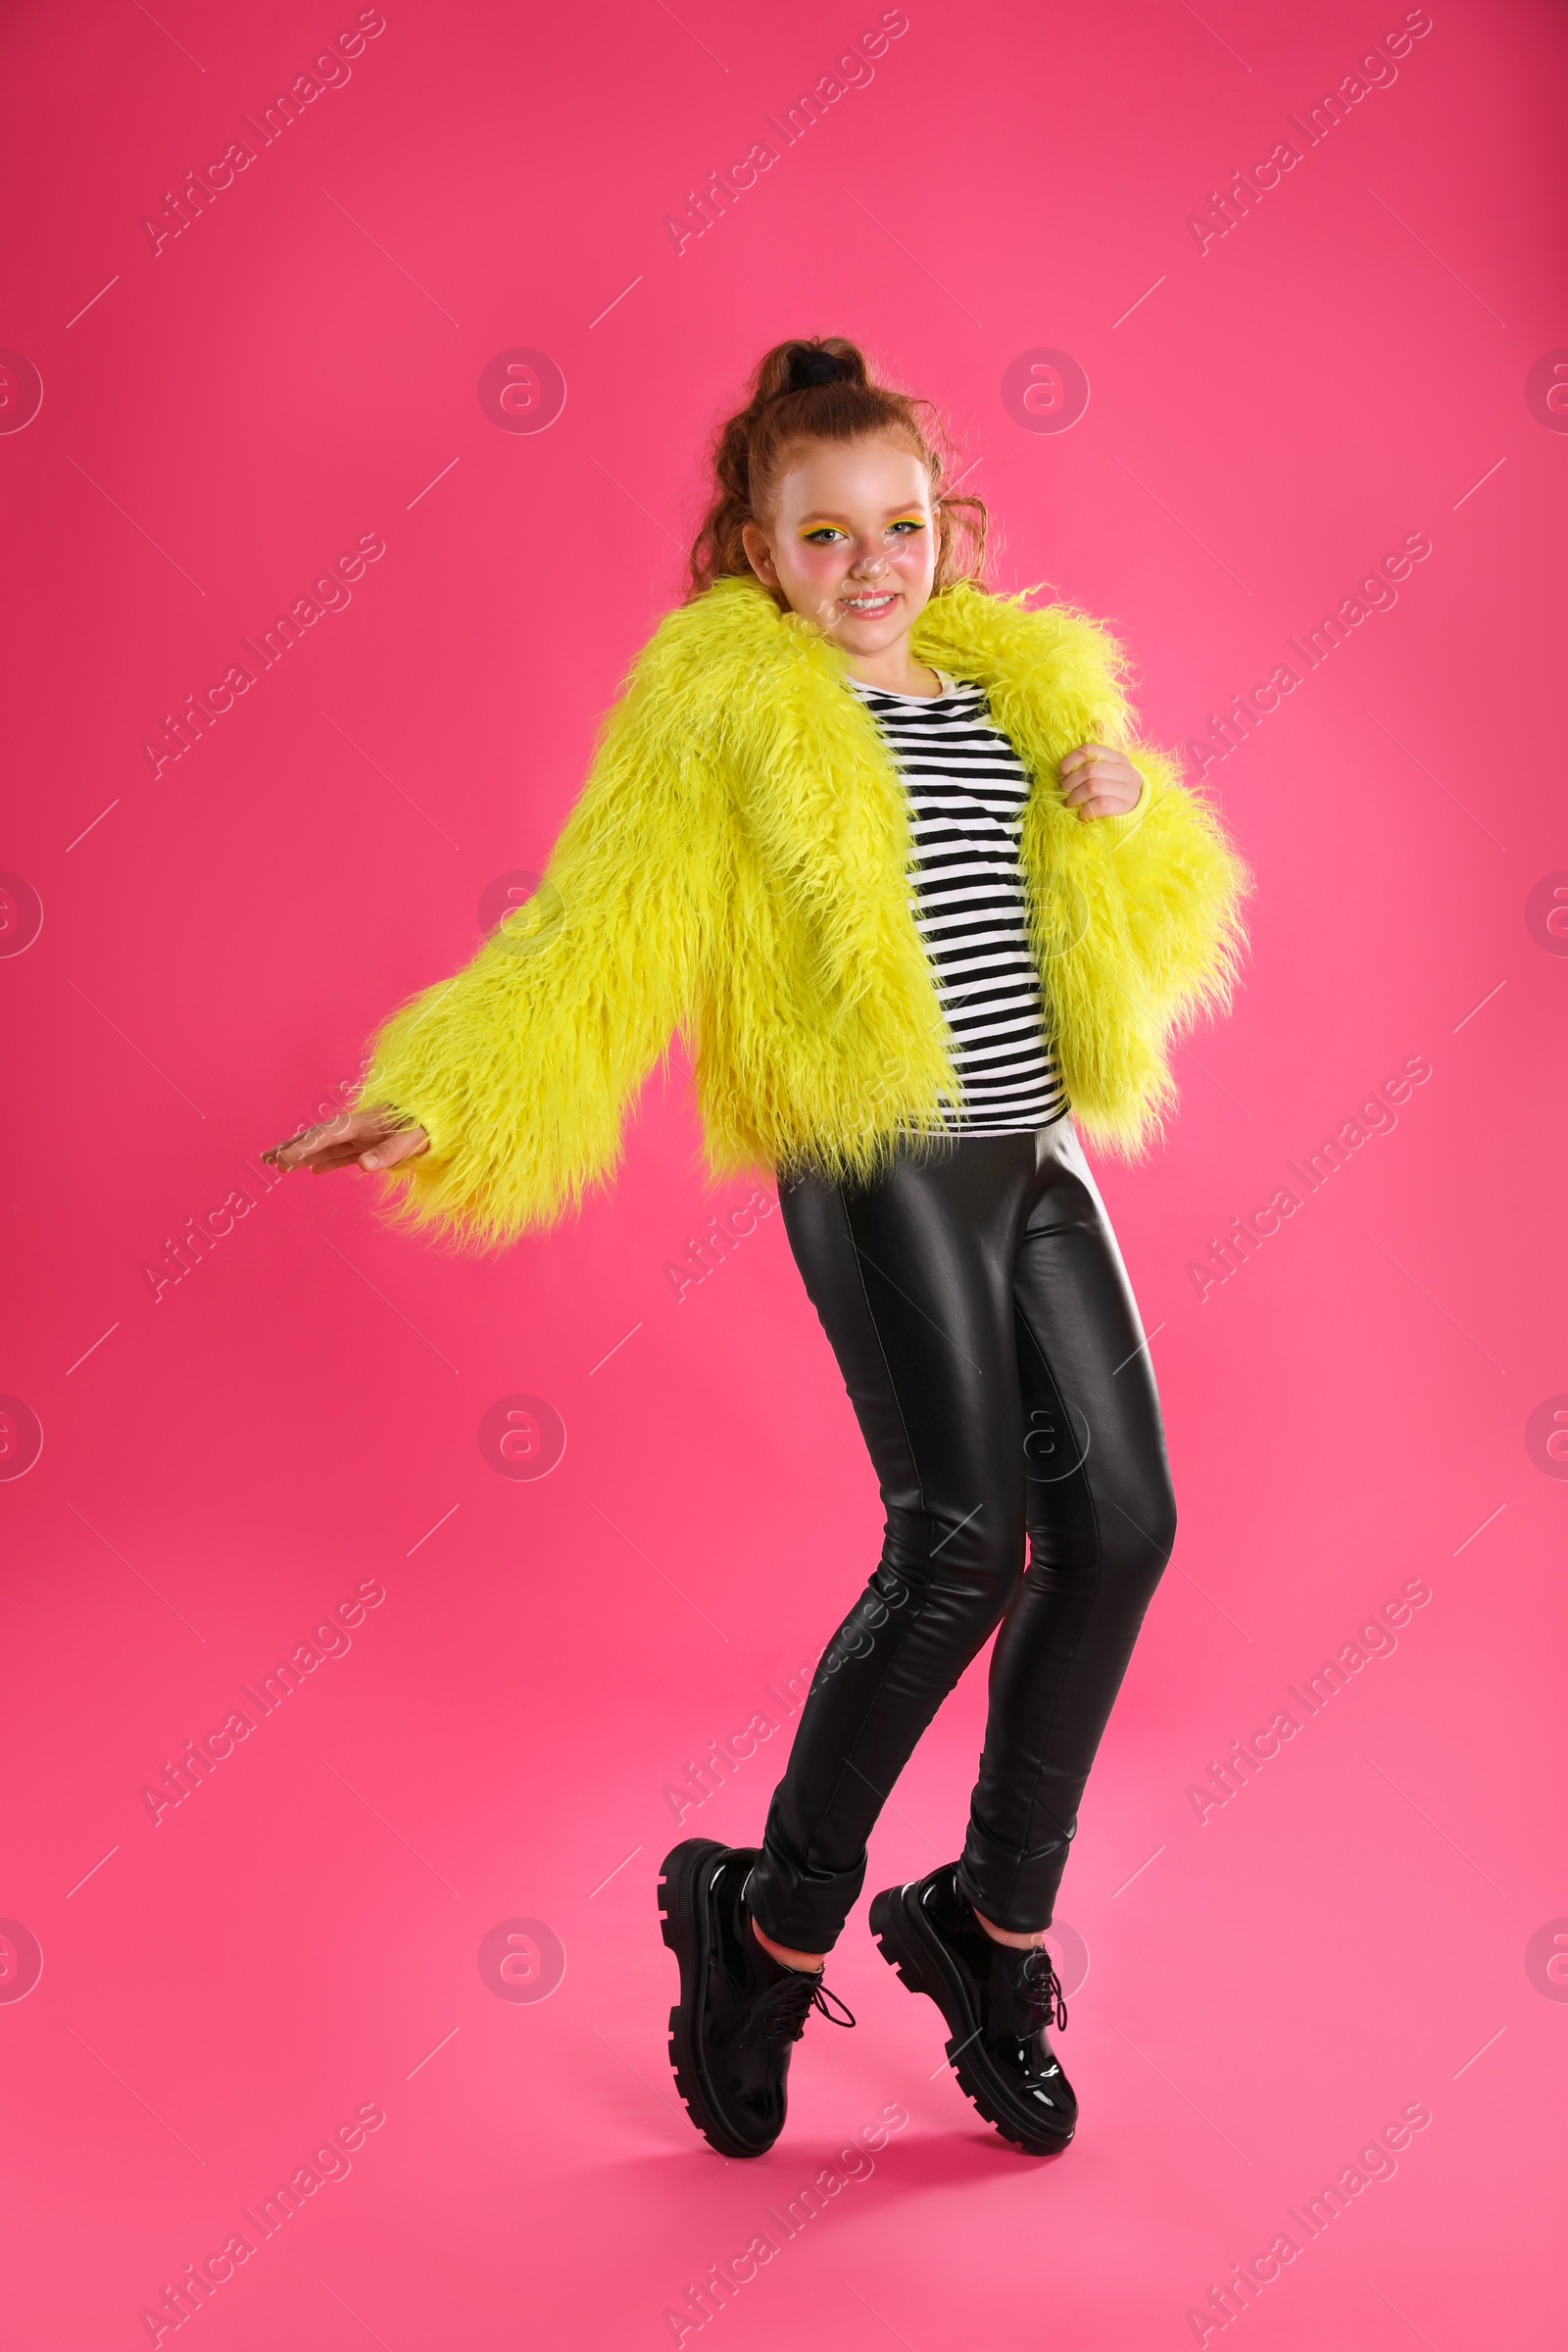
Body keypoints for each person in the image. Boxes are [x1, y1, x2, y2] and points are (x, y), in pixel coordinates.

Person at [264, 335, 1250, 2163]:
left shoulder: (1011, 691)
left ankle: (987, 1928)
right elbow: (598, 929)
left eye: (900, 526)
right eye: (824, 537)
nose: (871, 564)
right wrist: (447, 1093)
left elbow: (1154, 918)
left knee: (1122, 1526)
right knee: (962, 1545)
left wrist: (1127, 820)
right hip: (875, 1154)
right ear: (757, 550)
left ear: (943, 528)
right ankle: (772, 1925)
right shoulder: (729, 711)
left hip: (1032, 1148)